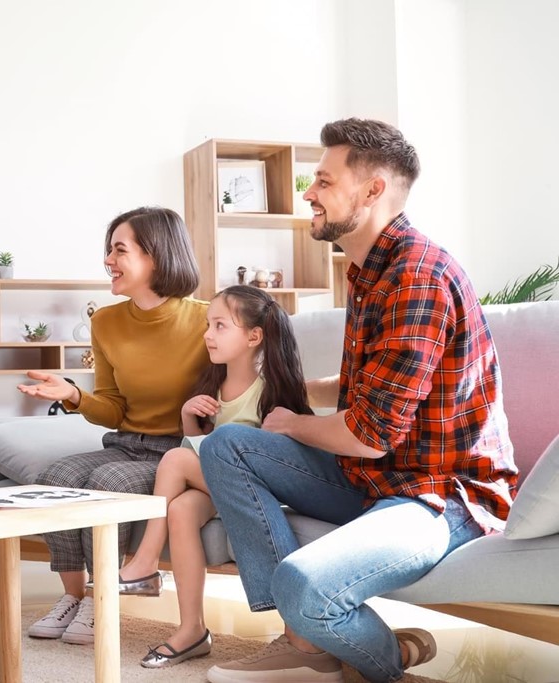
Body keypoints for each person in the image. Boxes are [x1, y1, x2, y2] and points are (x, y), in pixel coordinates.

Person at [199, 119, 519, 683]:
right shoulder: (369, 271)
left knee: (303, 584)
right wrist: (293, 394)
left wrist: (294, 424)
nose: (308, 193)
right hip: (377, 480)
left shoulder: (416, 277)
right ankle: (303, 638)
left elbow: (369, 437)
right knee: (227, 444)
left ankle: (381, 660)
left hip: (440, 495)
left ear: (372, 191)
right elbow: (368, 390)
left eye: (323, 181)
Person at [17, 206, 210, 645]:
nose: (108, 260)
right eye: (109, 249)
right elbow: (114, 407)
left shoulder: (205, 320)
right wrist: (72, 395)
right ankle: (75, 597)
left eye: (119, 250)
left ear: (156, 257)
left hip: (177, 452)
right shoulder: (105, 321)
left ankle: (103, 598)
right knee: (56, 478)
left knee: (107, 481)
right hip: (126, 441)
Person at [114, 286, 312, 669]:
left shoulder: (271, 390)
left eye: (220, 326)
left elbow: (276, 460)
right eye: (208, 325)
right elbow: (203, 449)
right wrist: (190, 417)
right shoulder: (214, 384)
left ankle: (146, 561)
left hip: (255, 492)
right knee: (183, 509)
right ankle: (192, 630)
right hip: (216, 487)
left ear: (254, 336)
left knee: (172, 460)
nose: (208, 334)